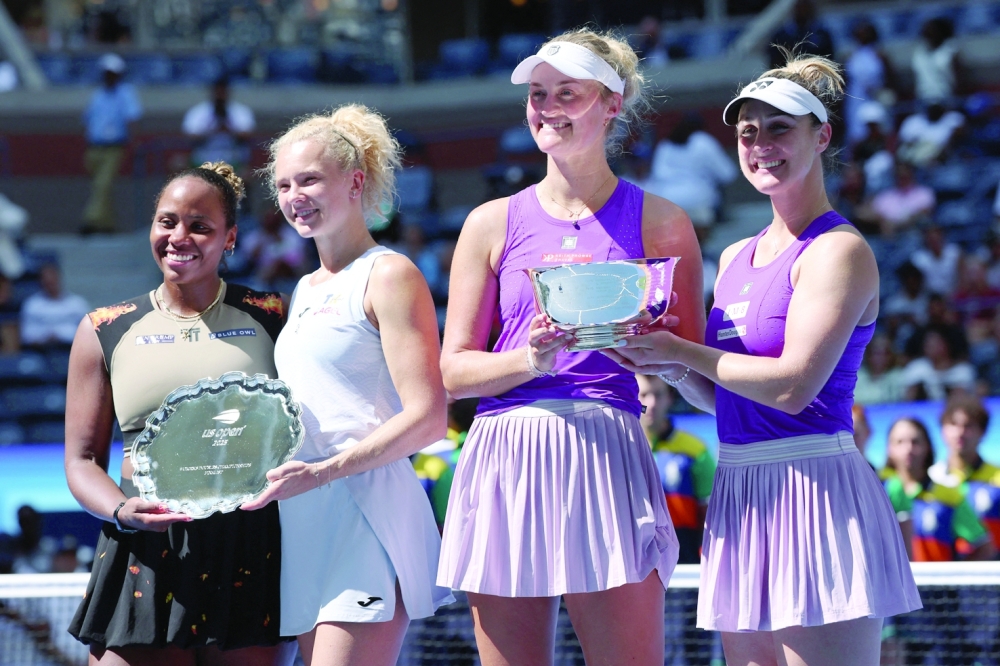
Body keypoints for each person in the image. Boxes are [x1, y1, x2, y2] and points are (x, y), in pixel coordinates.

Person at [605, 52, 922, 665]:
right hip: (741, 492)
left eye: (781, 128)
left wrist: (681, 350)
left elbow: (792, 388)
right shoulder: (736, 256)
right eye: (748, 132)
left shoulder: (839, 251)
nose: (760, 145)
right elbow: (723, 397)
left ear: (822, 135)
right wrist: (664, 365)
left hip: (818, 489)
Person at [436, 28, 705, 666]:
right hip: (507, 453)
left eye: (567, 93)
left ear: (613, 104)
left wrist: (660, 354)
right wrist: (529, 358)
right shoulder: (490, 222)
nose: (547, 107)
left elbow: (699, 377)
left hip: (607, 449)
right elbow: (453, 372)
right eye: (537, 94)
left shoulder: (664, 221)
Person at [240, 103, 453, 666]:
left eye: (309, 179)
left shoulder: (390, 274)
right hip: (306, 514)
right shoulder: (305, 287)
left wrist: (324, 472)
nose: (294, 196)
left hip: (368, 512)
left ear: (355, 181)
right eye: (284, 184)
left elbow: (429, 417)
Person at [64, 162, 296, 666]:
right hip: (143, 547)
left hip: (249, 545)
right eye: (167, 221)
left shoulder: (274, 314)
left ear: (230, 237)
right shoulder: (103, 327)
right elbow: (82, 461)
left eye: (200, 226)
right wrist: (123, 512)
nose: (179, 237)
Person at [636, 373, 715, 565]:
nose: (652, 403)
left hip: (685, 564)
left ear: (670, 398)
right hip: (633, 563)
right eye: (644, 394)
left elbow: (710, 514)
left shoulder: (696, 449)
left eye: (659, 394)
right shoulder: (620, 446)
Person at [81, 53, 142, 235]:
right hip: (94, 147)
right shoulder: (98, 94)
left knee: (103, 185)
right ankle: (107, 224)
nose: (109, 76)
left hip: (113, 148)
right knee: (100, 188)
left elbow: (132, 118)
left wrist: (135, 143)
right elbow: (88, 119)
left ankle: (90, 221)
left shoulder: (126, 93)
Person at [929, 395, 1000, 550]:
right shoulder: (931, 478)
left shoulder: (997, 478)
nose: (960, 432)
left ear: (983, 432)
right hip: (946, 572)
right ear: (942, 430)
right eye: (953, 424)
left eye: (968, 426)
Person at [182, 76, 255, 173]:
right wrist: (211, 130)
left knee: (247, 173)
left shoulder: (240, 111)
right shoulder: (198, 111)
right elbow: (191, 135)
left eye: (223, 92)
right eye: (217, 92)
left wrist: (229, 129)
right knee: (177, 164)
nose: (220, 96)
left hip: (232, 158)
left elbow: (247, 134)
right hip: (203, 158)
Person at [20, 263, 89, 351]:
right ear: (41, 281)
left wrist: (61, 336)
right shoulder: (32, 304)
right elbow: (27, 335)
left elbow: (87, 334)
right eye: (47, 281)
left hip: (71, 349)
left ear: (59, 278)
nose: (50, 283)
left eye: (52, 280)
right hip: (41, 351)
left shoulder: (77, 303)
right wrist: (46, 338)